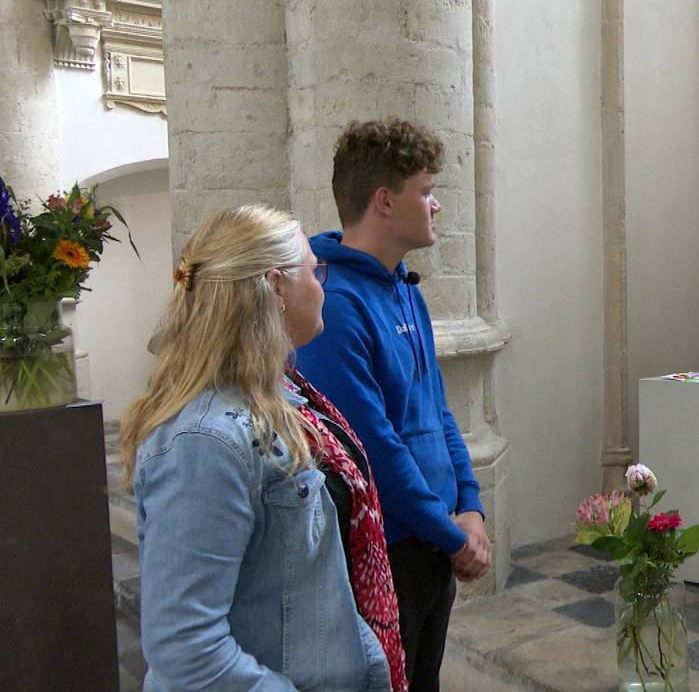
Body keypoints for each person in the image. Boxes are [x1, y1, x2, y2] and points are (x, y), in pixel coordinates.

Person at [120, 204, 394, 691]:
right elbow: (188, 649)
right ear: (276, 288)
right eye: (315, 270)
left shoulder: (282, 394)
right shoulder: (204, 441)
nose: (322, 285)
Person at [296, 119, 492, 691]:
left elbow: (438, 412)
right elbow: (371, 447)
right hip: (390, 546)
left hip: (434, 537)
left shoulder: (406, 287)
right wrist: (451, 532)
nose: (436, 206)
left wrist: (471, 507)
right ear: (384, 200)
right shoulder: (335, 304)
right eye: (425, 190)